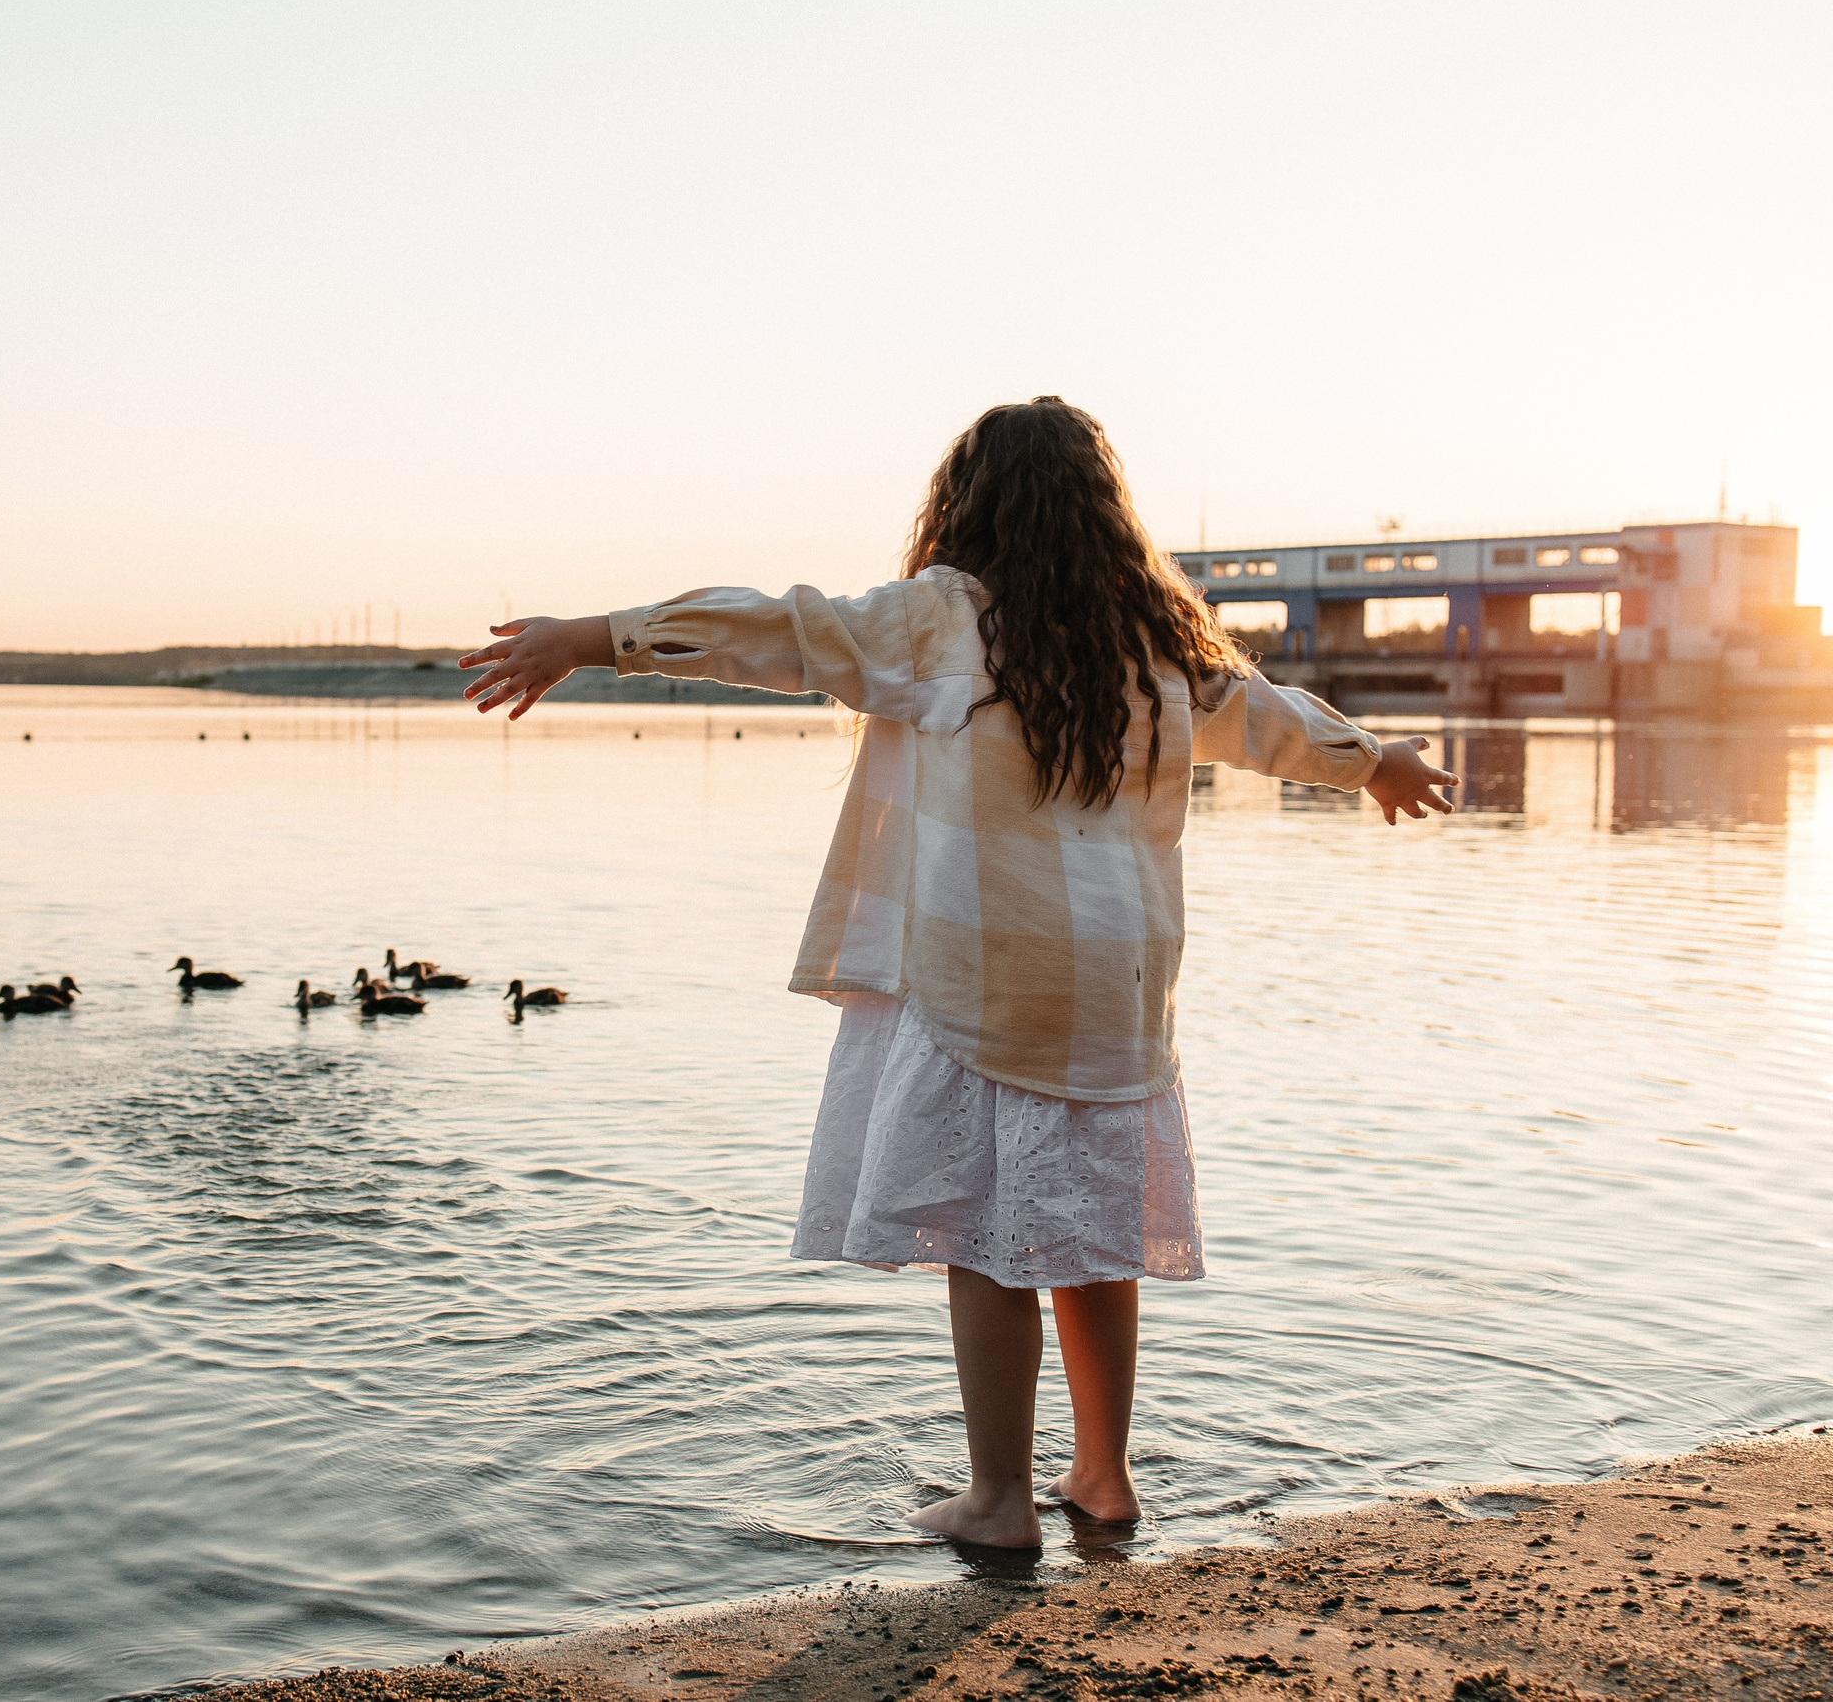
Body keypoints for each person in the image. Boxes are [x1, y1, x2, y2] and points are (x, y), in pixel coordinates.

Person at [457, 396, 1457, 1549]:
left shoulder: (943, 620)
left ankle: (996, 1503)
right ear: (1104, 512)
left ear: (967, 505)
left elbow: (788, 631)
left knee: (988, 1244)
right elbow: (1271, 722)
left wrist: (594, 638)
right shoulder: (1159, 645)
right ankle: (1102, 1479)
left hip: (989, 979)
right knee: (1093, 1244)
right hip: (1124, 996)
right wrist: (1375, 759)